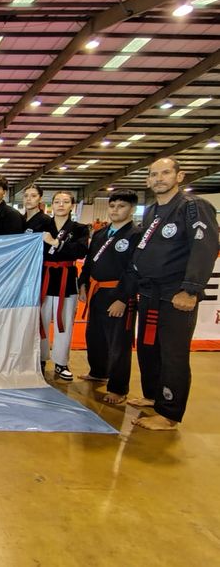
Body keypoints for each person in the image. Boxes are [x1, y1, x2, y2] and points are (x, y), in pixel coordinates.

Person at [126, 158, 218, 430]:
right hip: (151, 292)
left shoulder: (193, 207)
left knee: (173, 353)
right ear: (147, 181)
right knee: (148, 347)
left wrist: (191, 290)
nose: (159, 178)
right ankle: (152, 395)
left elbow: (204, 249)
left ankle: (169, 414)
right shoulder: (153, 210)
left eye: (165, 173)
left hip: (175, 292)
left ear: (180, 176)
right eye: (154, 174)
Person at [77, 190, 140, 404]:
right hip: (97, 290)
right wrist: (83, 283)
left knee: (118, 342)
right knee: (95, 335)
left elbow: (134, 269)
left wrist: (123, 298)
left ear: (132, 209)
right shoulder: (101, 233)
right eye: (112, 206)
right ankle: (98, 371)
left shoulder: (135, 235)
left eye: (121, 206)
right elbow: (89, 262)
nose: (115, 210)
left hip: (118, 293)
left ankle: (118, 388)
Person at [40, 191, 89, 381]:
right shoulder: (43, 226)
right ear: (52, 205)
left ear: (72, 206)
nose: (61, 205)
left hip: (66, 279)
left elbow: (81, 250)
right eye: (57, 201)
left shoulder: (80, 229)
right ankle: (41, 358)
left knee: (65, 323)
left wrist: (56, 243)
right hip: (44, 277)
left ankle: (61, 362)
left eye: (65, 201)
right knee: (41, 322)